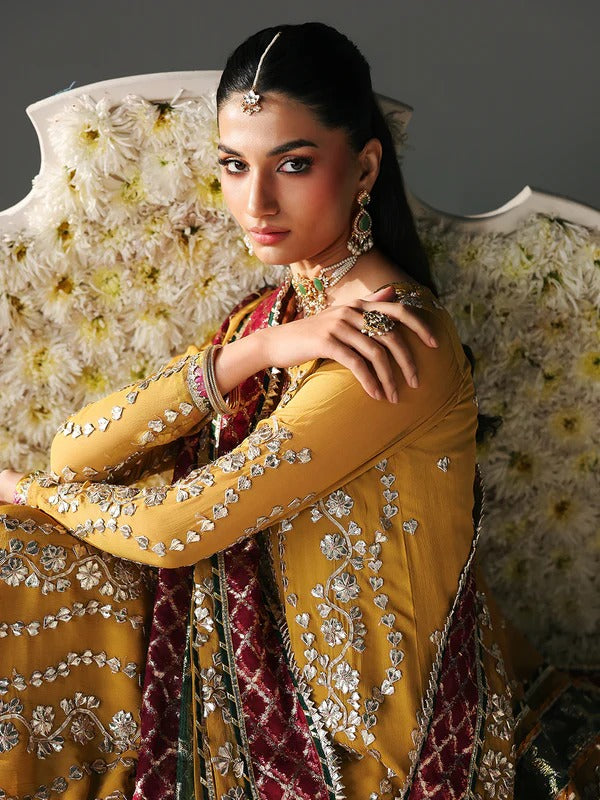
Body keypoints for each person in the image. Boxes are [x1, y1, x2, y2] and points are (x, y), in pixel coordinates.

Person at [0, 21, 597, 800]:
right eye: (233, 165)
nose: (256, 201)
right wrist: (254, 353)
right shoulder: (274, 319)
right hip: (242, 670)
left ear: (365, 168)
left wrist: (33, 498)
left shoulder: (396, 342)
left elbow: (178, 526)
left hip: (357, 743)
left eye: (293, 164)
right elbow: (75, 453)